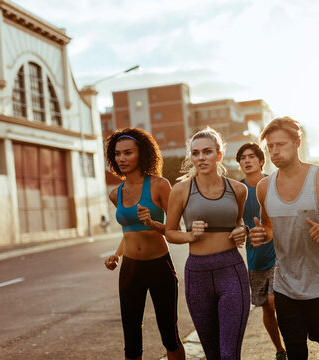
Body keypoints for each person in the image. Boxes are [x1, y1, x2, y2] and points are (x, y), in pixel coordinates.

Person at [250, 117, 319, 360]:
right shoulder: (264, 187)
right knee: (296, 354)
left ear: (297, 142)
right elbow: (268, 226)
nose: (274, 151)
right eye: (270, 147)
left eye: (280, 144)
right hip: (286, 287)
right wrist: (262, 235)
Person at [165, 127, 250, 360]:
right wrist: (190, 236)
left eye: (207, 152)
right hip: (197, 274)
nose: (200, 158)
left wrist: (242, 229)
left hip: (231, 270)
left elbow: (239, 220)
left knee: (229, 354)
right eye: (195, 153)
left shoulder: (238, 189)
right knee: (212, 355)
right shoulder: (181, 190)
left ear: (219, 155)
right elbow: (170, 232)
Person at [103, 128, 185, 360]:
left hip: (159, 266)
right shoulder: (115, 193)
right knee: (131, 339)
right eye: (117, 154)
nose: (122, 158)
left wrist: (152, 222)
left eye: (128, 153)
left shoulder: (160, 185)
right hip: (130, 269)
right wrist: (117, 254)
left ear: (142, 154)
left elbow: (174, 231)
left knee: (170, 335)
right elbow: (128, 231)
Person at [235, 142, 286, 360]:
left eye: (251, 157)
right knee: (266, 307)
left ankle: (293, 341)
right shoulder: (237, 190)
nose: (246, 161)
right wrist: (240, 230)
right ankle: (280, 350)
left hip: (278, 253)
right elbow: (234, 221)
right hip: (254, 256)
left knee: (277, 301)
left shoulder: (274, 183)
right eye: (242, 158)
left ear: (260, 160)